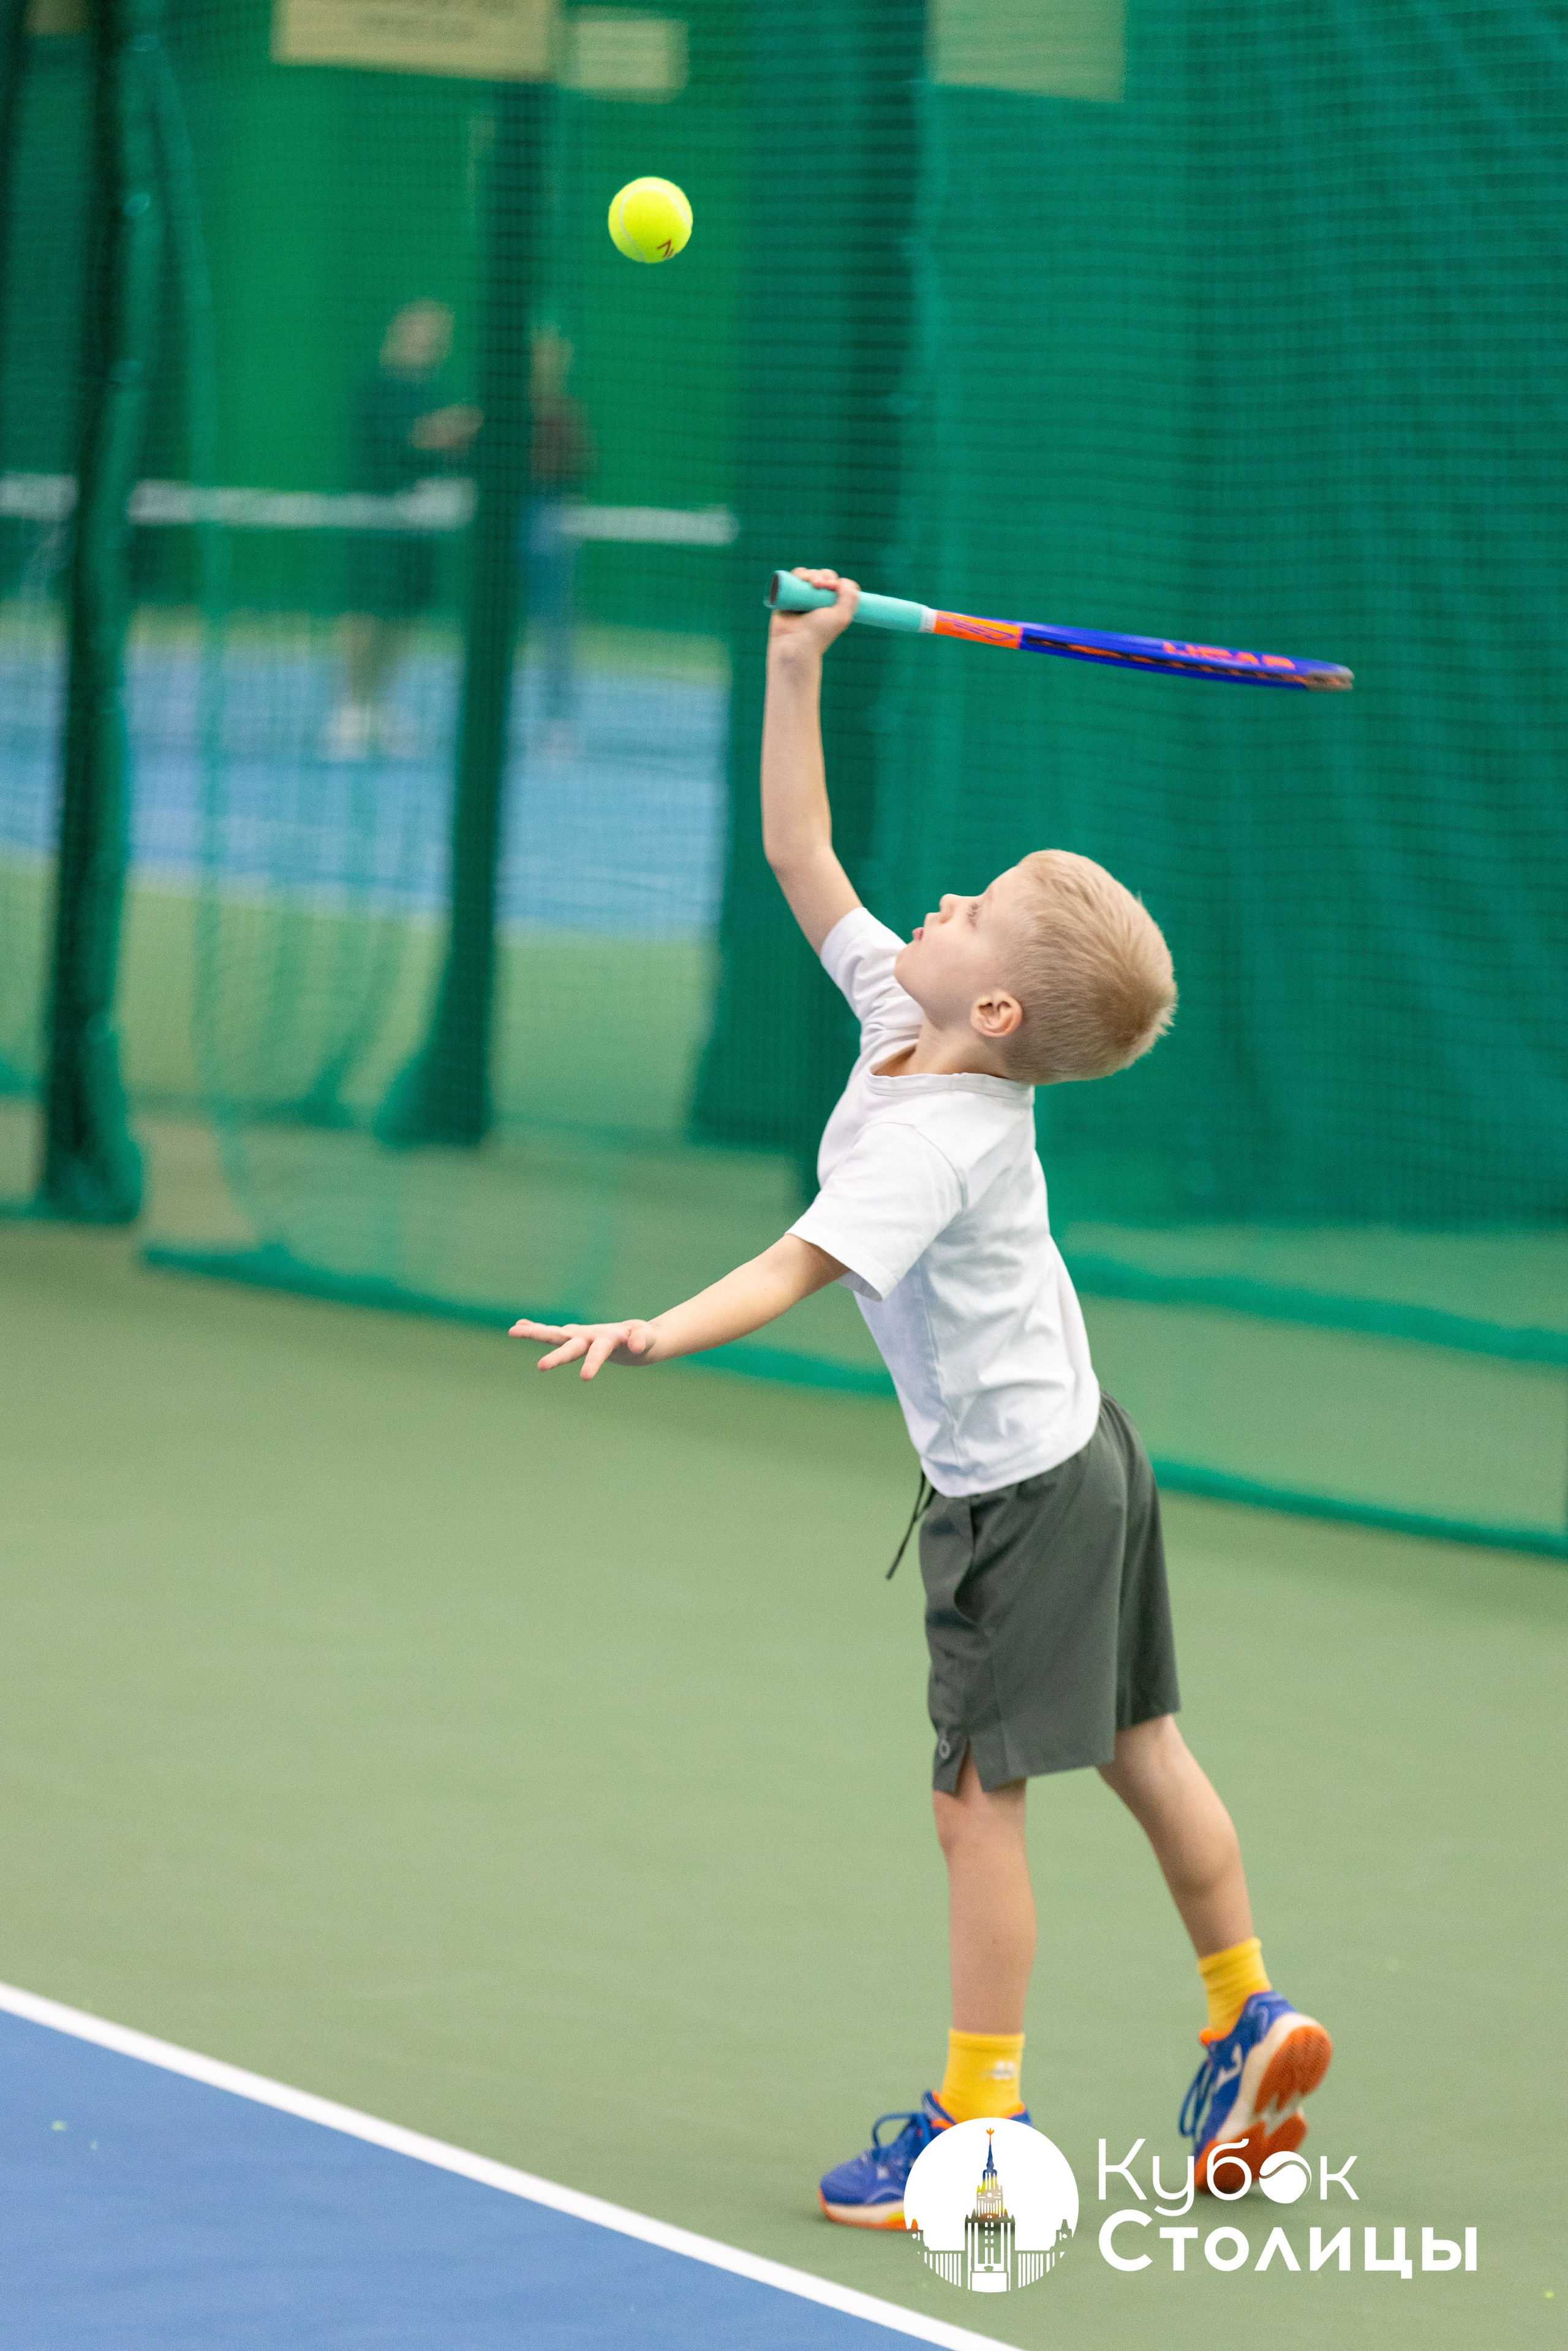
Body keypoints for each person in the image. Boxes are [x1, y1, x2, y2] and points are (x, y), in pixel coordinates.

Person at [510, 567, 1332, 2221]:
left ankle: (974, 2126)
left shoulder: (930, 1139)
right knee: (1141, 1739)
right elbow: (800, 856)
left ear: (1003, 1009)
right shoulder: (912, 1009)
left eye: (969, 911)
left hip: (1020, 1500)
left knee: (978, 1804)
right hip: (1088, 1451)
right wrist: (795, 665)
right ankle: (1247, 2002)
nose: (935, 901)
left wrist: (659, 1325)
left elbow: (798, 1263)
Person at [325, 300, 481, 761]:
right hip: (375, 521)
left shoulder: (439, 389)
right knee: (366, 611)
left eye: (439, 334)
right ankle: (349, 709)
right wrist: (445, 429)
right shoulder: (375, 387)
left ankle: (380, 706)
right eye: (422, 330)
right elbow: (407, 440)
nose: (431, 341)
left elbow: (449, 450)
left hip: (423, 525)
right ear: (400, 331)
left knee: (406, 614)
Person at [523, 325, 595, 759]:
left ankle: (557, 722)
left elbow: (579, 472)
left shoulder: (568, 414)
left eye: (556, 356)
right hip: (501, 530)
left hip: (551, 527)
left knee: (556, 630)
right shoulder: (498, 409)